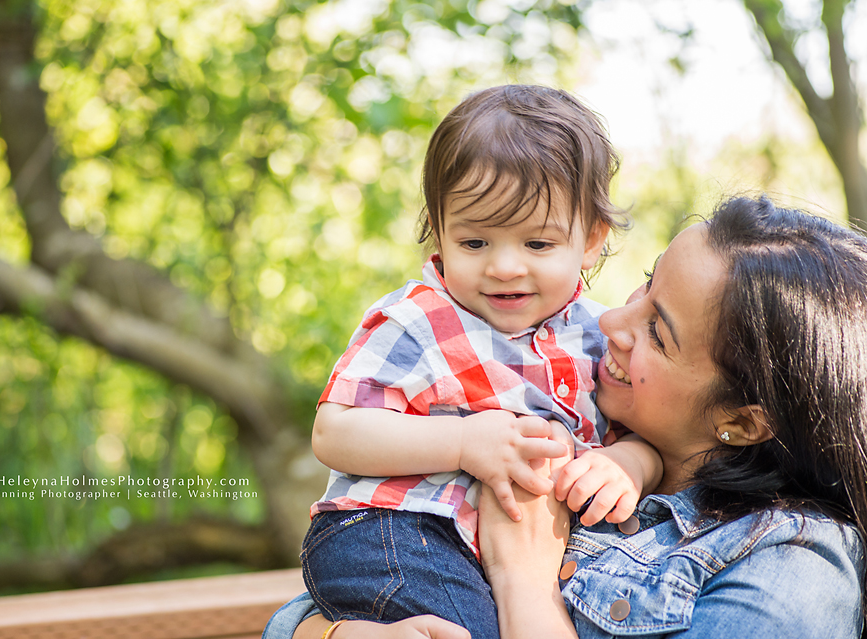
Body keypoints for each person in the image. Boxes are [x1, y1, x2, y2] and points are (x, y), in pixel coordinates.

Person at [268, 195, 867, 639]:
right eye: (644, 285)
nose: (609, 322)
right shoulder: (585, 436)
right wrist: (325, 632)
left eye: (656, 333)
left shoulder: (792, 570)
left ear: (742, 420)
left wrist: (523, 577)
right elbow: (341, 597)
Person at [301, 85, 662, 639]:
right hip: (399, 532)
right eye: (474, 243)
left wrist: (631, 465)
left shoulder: (600, 335)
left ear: (591, 239)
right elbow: (335, 431)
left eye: (537, 244)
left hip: (530, 556)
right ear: (439, 229)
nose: (504, 266)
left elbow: (647, 434)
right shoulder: (418, 320)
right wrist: (463, 443)